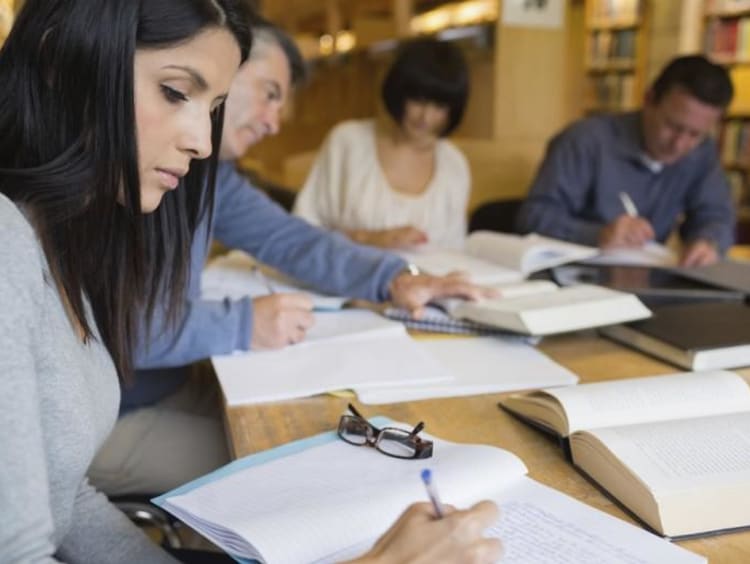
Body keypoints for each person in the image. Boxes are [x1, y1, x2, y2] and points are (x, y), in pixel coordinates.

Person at [0, 1, 502, 563]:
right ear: (61, 65)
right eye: (174, 91)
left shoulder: (68, 232)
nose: (202, 141)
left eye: (212, 104)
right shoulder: (12, 243)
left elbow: (65, 497)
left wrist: (394, 276)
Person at [89, 19, 491, 497]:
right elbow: (113, 327)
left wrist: (396, 275)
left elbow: (292, 239)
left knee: (327, 439)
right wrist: (244, 323)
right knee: (304, 474)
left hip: (159, 385)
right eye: (269, 93)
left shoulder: (206, 176)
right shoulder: (113, 173)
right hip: (105, 416)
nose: (274, 121)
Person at [516, 55, 736, 267]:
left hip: (648, 277)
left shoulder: (702, 153)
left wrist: (708, 241)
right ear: (649, 100)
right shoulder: (585, 141)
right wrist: (598, 234)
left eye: (695, 134)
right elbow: (534, 217)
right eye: (672, 126)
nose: (679, 144)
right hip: (574, 274)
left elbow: (715, 213)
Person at [293, 38, 471, 250]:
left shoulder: (455, 165)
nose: (426, 117)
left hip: (426, 281)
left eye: (439, 106)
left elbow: (455, 251)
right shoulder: (347, 142)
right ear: (399, 93)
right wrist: (366, 238)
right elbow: (300, 231)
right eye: (418, 100)